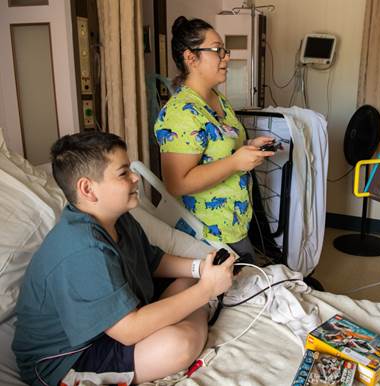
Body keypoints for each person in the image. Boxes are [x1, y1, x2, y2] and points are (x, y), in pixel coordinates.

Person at [12, 131, 235, 386]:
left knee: (187, 281)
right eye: (124, 173)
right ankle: (201, 312)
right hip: (68, 358)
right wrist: (207, 291)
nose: (135, 177)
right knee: (180, 344)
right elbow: (128, 331)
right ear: (87, 189)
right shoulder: (83, 249)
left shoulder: (118, 218)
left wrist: (201, 268)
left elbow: (153, 261)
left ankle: (197, 309)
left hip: (111, 326)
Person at [154, 17, 275, 265]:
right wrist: (235, 163)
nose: (226, 57)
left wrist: (247, 150)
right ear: (191, 58)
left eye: (225, 51)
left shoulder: (219, 101)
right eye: (217, 50)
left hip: (234, 223)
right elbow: (177, 183)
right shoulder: (181, 112)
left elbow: (222, 151)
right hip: (205, 233)